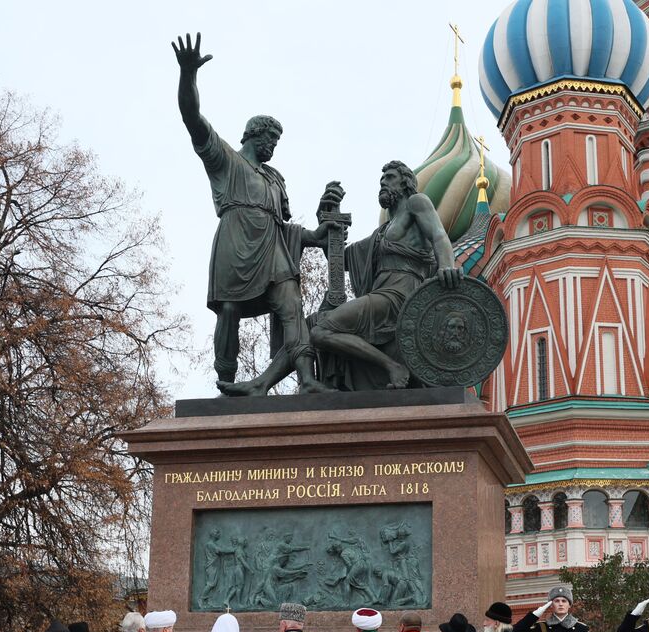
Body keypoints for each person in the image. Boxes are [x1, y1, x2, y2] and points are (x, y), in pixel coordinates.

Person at [171, 31, 341, 396]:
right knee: (229, 311)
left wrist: (319, 233)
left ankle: (307, 380)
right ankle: (226, 386)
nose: (273, 148)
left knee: (291, 305)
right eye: (270, 141)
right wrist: (189, 74)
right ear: (252, 135)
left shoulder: (276, 178)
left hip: (273, 250)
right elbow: (192, 117)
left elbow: (287, 229)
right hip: (236, 242)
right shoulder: (226, 160)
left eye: (277, 143)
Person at [310, 160, 462, 391]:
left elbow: (439, 236)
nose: (383, 183)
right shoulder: (381, 232)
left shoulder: (416, 203)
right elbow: (341, 259)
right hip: (382, 296)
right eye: (381, 180)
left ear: (406, 183)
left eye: (390, 177)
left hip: (401, 296)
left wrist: (447, 266)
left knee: (321, 331)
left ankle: (392, 366)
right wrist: (326, 220)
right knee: (312, 325)